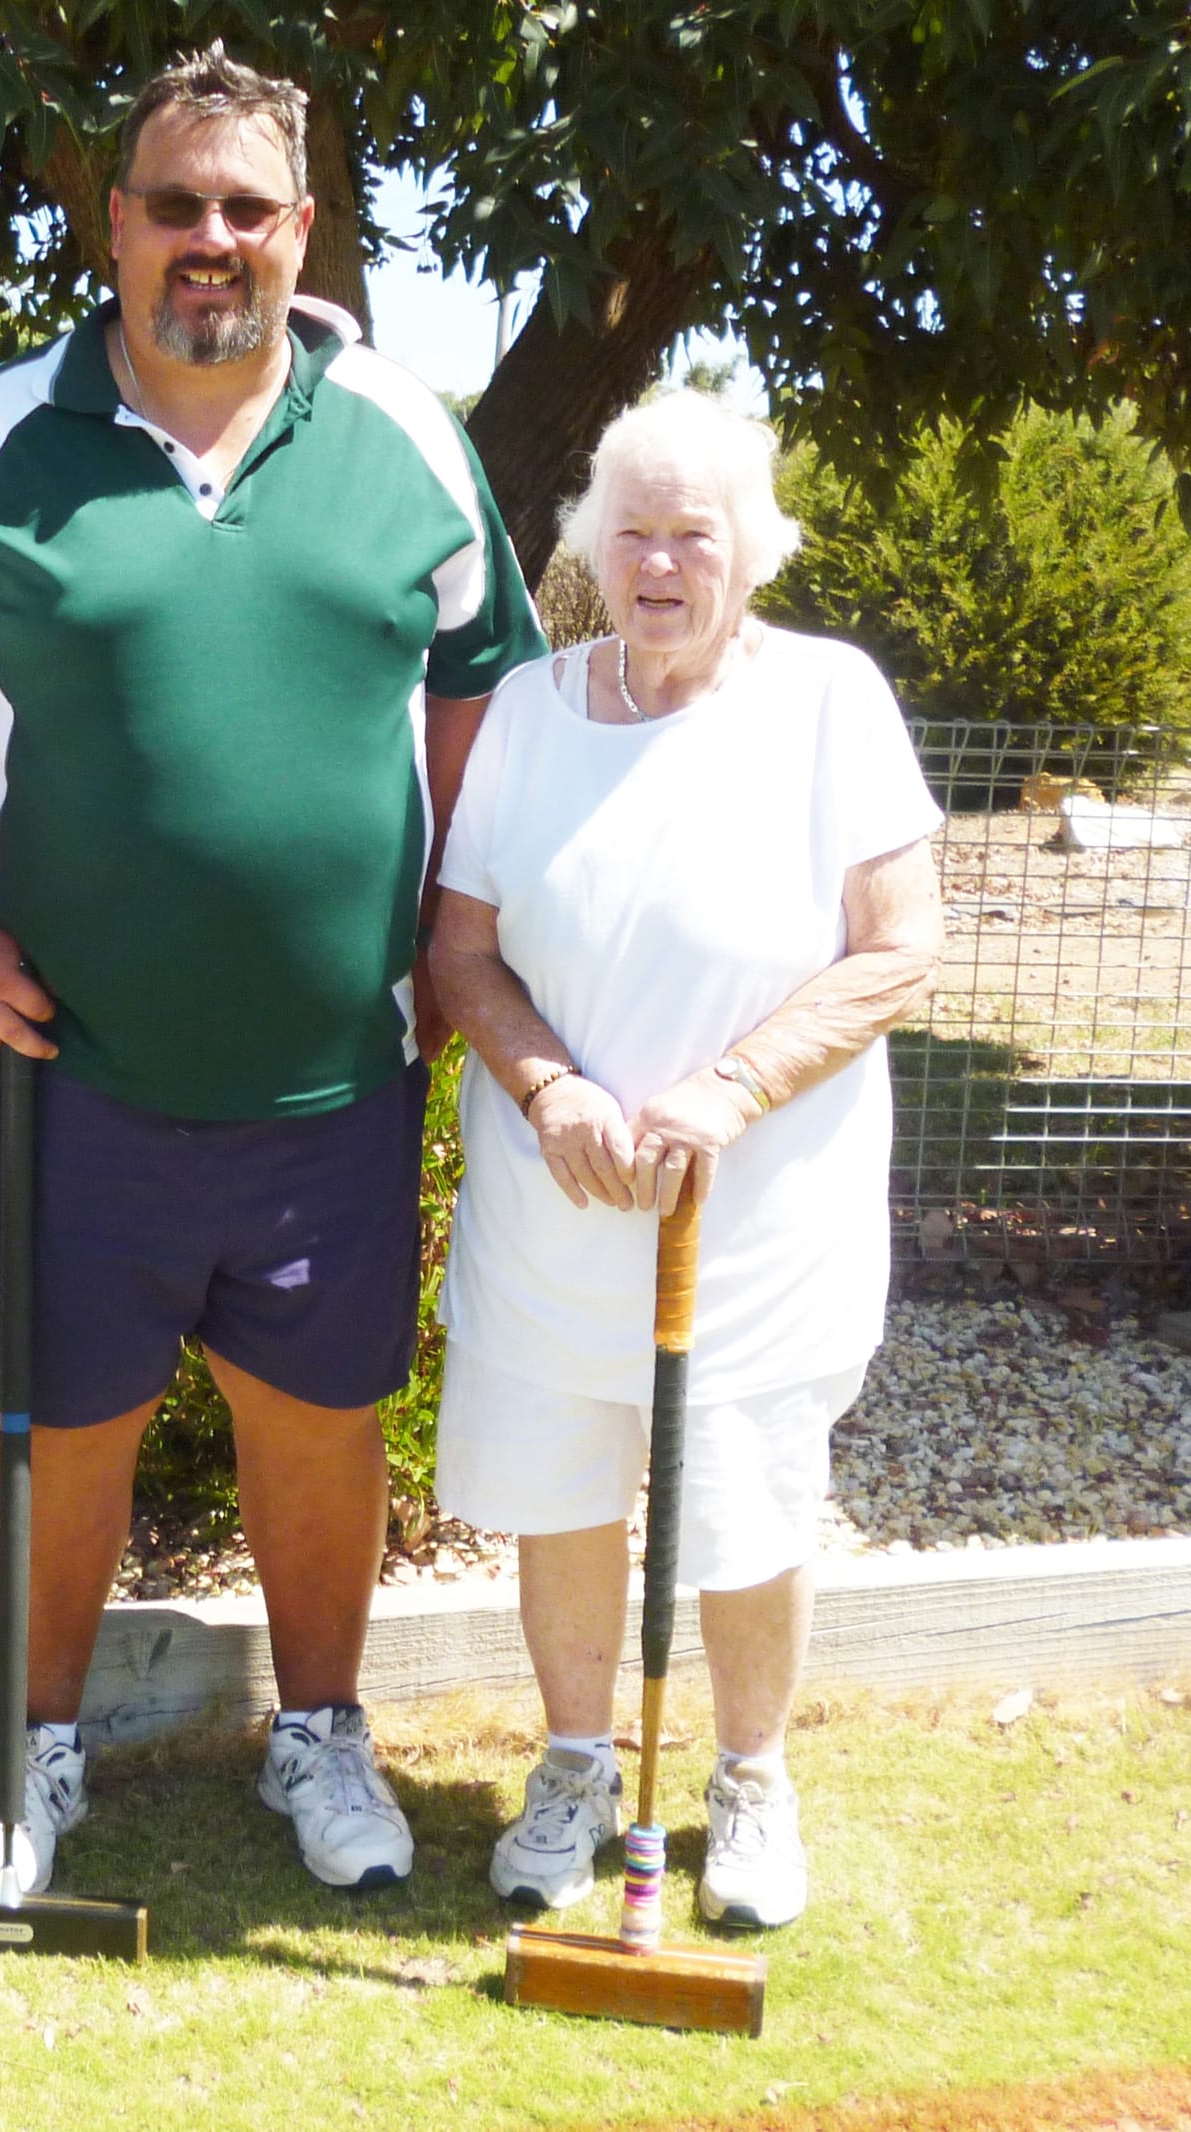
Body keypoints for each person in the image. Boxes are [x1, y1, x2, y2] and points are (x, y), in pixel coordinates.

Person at [0, 43, 542, 1895]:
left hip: (335, 1070)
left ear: (304, 230)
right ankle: (30, 1757)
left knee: (320, 1430)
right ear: (114, 225)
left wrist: (445, 929)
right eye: (176, 207)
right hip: (63, 1072)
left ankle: (318, 1737)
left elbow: (482, 683)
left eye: (250, 209)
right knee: (55, 1426)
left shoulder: (405, 433)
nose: (212, 241)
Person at [427, 389, 944, 1931]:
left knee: (748, 1499)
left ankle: (751, 1781)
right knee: (563, 1488)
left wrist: (730, 1086)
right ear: (592, 543)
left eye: (693, 535)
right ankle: (577, 1766)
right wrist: (548, 1091)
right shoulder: (527, 708)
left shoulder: (830, 701)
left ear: (752, 549)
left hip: (759, 1212)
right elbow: (463, 952)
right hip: (557, 1194)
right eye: (633, 531)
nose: (660, 564)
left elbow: (902, 948)